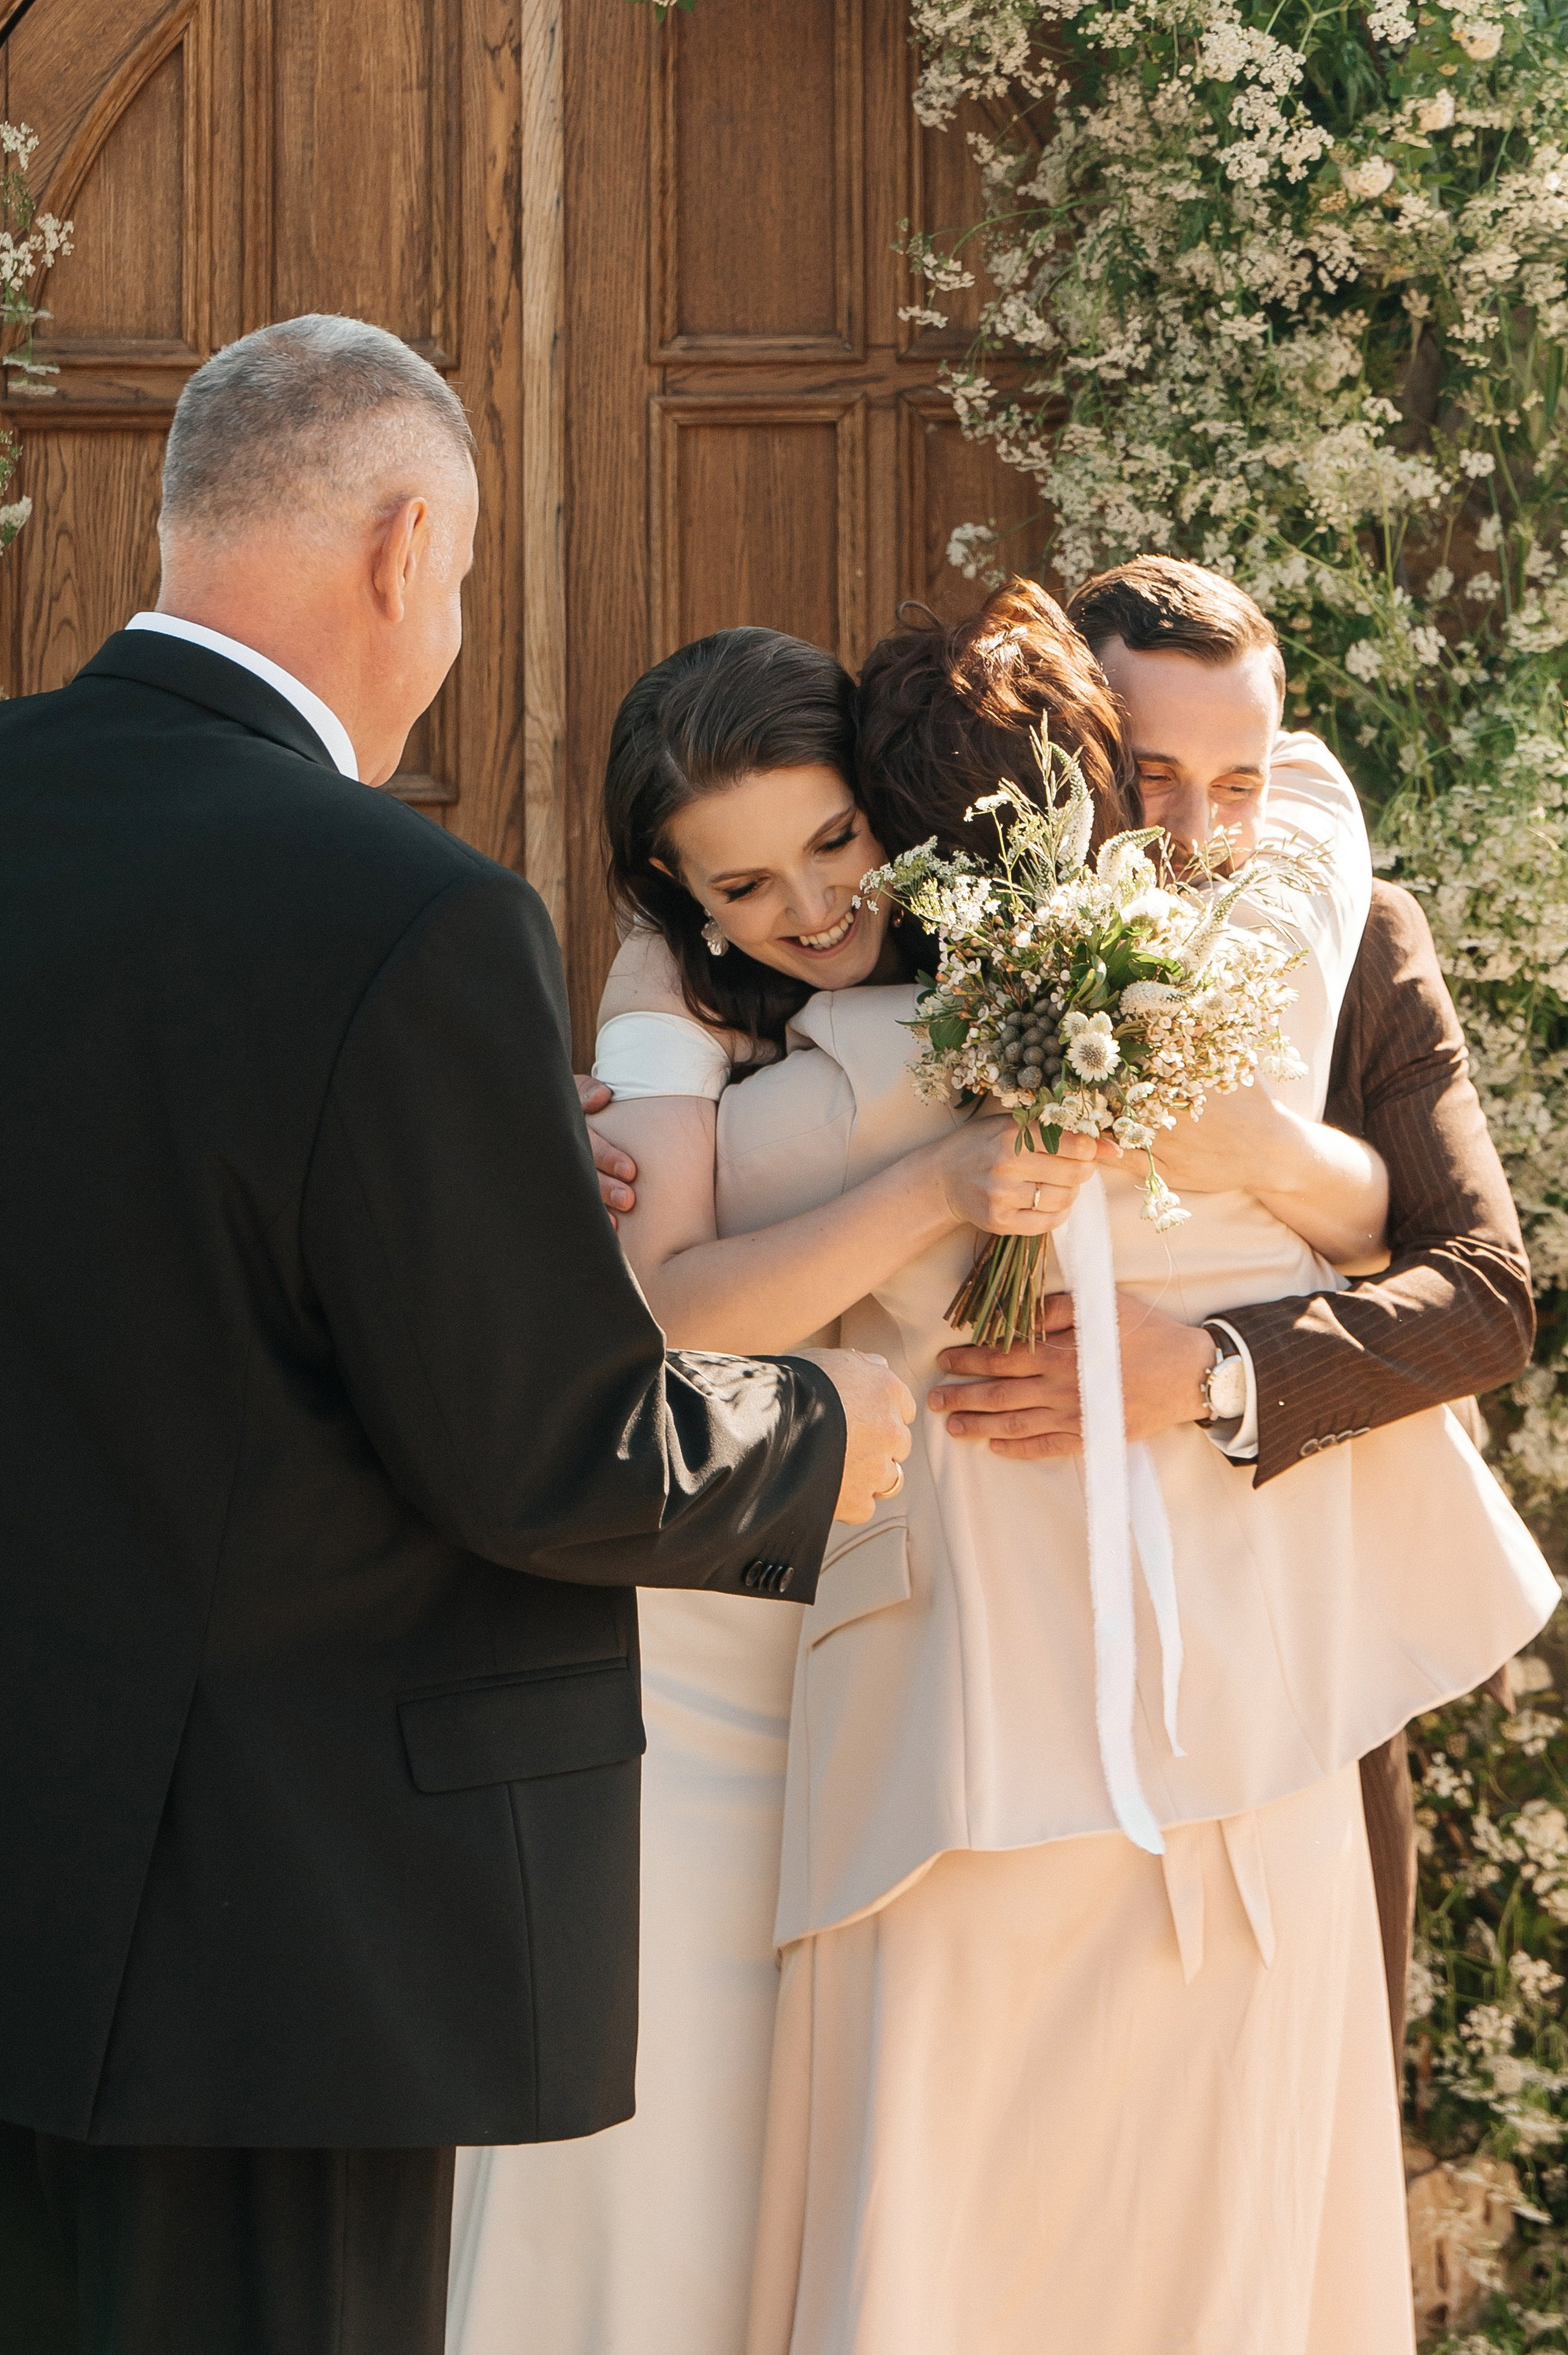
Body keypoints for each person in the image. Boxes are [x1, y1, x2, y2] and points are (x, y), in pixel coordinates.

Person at [0, 315, 913, 2355]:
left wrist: (425, 1155)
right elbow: (542, 1443)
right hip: (270, 1929)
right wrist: (829, 1421)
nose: (447, 625)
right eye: (457, 582)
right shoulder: (411, 913)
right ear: (401, 549)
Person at [448, 624, 1106, 2355]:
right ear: (674, 895)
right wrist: (948, 1177)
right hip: (712, 1631)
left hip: (923, 1594)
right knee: (683, 2099)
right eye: (739, 885)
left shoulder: (1020, 941)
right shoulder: (664, 1004)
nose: (809, 908)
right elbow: (668, 1310)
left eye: (832, 843)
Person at [940, 553, 1537, 2064]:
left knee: (1309, 2125)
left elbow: (1484, 1299)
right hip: (1011, 1656)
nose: (1201, 834)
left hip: (1306, 1646)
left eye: (1243, 783)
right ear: (1079, 752)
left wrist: (1206, 1361)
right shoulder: (952, 936)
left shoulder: (1368, 938)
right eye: (1153, 777)